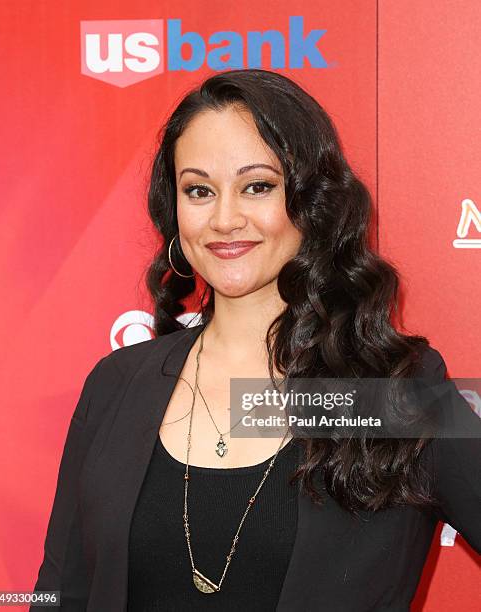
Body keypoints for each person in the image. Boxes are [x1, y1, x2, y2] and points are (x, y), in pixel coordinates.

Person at [31, 69, 481, 611]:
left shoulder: (392, 393)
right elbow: (60, 595)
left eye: (257, 186)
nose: (224, 218)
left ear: (312, 202)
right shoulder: (118, 384)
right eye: (199, 190)